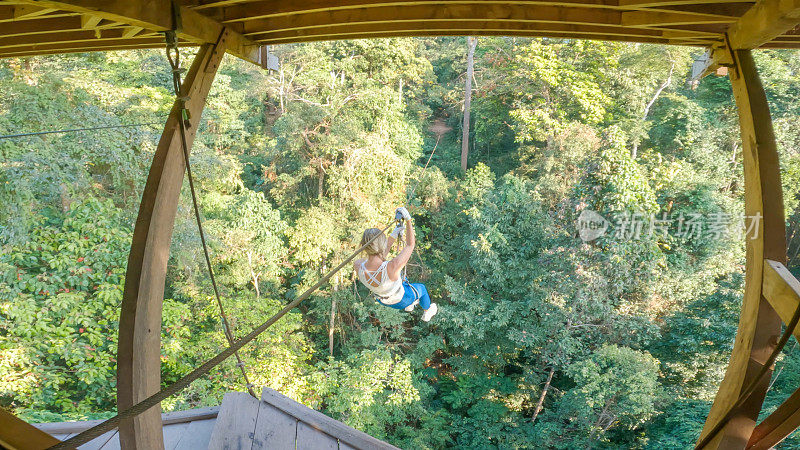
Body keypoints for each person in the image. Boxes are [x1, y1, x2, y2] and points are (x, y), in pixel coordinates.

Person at [354, 207, 438, 322]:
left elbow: (380, 255)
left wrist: (394, 234)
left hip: (382, 300)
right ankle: (427, 311)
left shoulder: (358, 265)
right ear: (381, 244)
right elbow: (410, 245)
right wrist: (408, 220)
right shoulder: (392, 266)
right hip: (401, 299)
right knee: (422, 289)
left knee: (401, 278)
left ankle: (411, 304)